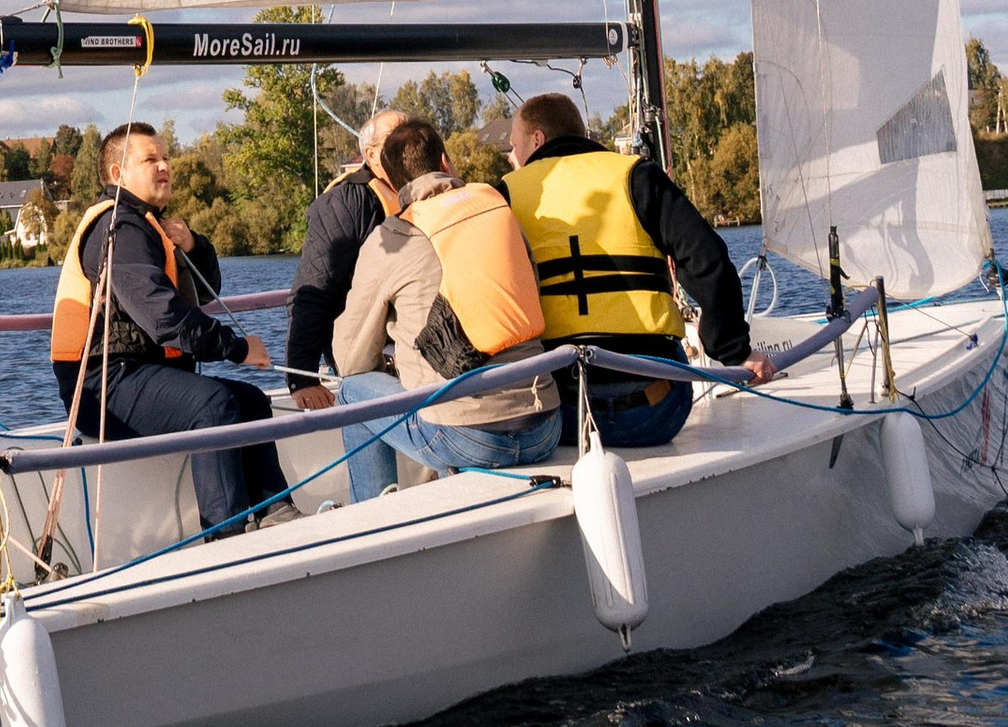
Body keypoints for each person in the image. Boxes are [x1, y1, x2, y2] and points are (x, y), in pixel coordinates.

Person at [51, 122, 290, 537]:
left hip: (139, 374)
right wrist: (237, 349)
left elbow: (204, 289)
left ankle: (277, 514)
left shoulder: (147, 225)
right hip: (102, 386)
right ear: (117, 175)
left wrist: (195, 246)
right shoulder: (120, 231)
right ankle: (225, 537)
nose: (164, 166)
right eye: (150, 160)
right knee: (213, 405)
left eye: (166, 158)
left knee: (250, 401)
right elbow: (163, 318)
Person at [501, 92, 772, 452]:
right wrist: (734, 351)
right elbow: (710, 261)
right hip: (654, 411)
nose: (511, 157)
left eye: (514, 145)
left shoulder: (504, 195)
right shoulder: (636, 175)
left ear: (538, 140)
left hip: (560, 414)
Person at [331, 117, 559, 490]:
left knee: (353, 390)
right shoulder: (500, 211)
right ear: (445, 162)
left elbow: (351, 359)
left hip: (466, 440)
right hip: (544, 424)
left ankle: (373, 519)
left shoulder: (391, 237)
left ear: (390, 181)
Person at [282, 106, 409, 402]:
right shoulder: (345, 205)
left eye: (411, 135)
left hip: (419, 340)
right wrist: (301, 378)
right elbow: (313, 290)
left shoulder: (426, 195)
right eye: (396, 138)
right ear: (371, 153)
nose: (408, 143)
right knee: (360, 389)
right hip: (370, 351)